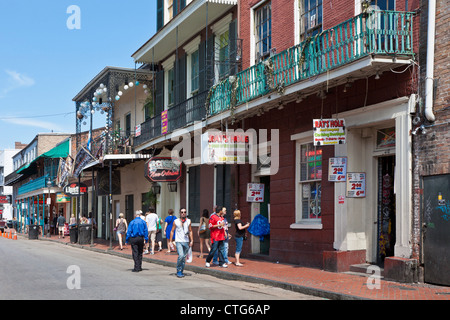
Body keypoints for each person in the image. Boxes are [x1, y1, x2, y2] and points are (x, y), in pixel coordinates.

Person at [169, 208, 193, 278]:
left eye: (185, 212)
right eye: (182, 212)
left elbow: (190, 231)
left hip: (186, 241)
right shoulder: (175, 221)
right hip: (178, 241)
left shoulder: (188, 221)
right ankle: (179, 270)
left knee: (184, 257)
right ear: (179, 213)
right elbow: (172, 231)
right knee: (181, 256)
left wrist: (192, 240)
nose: (183, 213)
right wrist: (170, 241)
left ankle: (181, 270)